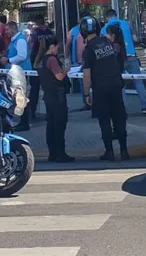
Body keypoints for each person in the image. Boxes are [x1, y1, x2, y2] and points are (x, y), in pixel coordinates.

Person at [81, 15, 129, 161]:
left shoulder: (88, 50)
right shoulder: (107, 42)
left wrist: (86, 94)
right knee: (119, 118)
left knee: (104, 121)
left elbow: (87, 75)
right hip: (115, 84)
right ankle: (124, 151)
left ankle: (109, 151)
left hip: (101, 87)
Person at [37, 34, 74, 163]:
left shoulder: (41, 60)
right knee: (59, 125)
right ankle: (60, 153)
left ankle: (52, 152)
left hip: (48, 96)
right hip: (57, 96)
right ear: (52, 47)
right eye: (57, 47)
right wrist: (66, 71)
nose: (57, 50)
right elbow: (59, 76)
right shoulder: (52, 60)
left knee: (51, 125)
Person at [3, 20, 37, 129]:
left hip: (21, 73)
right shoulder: (15, 40)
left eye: (8, 30)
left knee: (21, 97)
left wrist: (8, 60)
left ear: (14, 28)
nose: (6, 32)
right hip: (17, 73)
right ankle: (22, 121)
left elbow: (22, 56)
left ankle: (24, 123)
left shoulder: (20, 40)